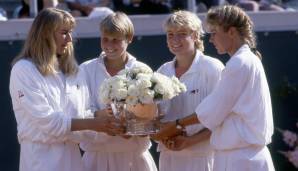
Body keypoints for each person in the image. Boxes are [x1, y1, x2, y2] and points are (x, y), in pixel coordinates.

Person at [153, 5, 275, 171]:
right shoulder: (244, 60)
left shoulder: (239, 63)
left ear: (231, 32)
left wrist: (175, 126)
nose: (211, 39)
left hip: (241, 159)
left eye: (214, 33)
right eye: (170, 35)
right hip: (238, 157)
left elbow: (211, 112)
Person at [9, 8, 123, 171]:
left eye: (70, 33)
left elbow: (82, 117)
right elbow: (49, 123)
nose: (69, 39)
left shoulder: (73, 70)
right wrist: (95, 123)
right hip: (40, 162)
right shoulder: (24, 69)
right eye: (64, 33)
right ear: (45, 34)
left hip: (74, 161)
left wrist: (106, 120)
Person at [79, 12, 158, 171]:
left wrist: (133, 129)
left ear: (129, 38)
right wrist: (102, 116)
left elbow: (151, 118)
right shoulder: (85, 69)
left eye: (116, 39)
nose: (109, 44)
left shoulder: (142, 71)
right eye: (105, 39)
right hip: (95, 159)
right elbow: (78, 112)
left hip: (135, 158)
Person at [154, 10, 224, 171]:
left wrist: (190, 141)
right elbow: (154, 117)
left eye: (182, 34)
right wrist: (165, 137)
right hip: (168, 157)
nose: (175, 39)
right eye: (170, 34)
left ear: (195, 35)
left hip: (204, 158)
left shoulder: (213, 68)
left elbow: (222, 118)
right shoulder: (162, 71)